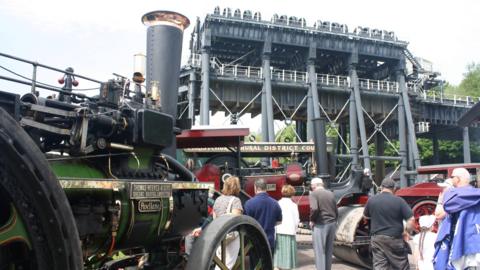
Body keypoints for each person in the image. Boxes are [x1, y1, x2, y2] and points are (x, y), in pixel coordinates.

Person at [433, 167, 480, 270]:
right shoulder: (477, 194)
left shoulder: (453, 195)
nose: (451, 179)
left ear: (458, 179)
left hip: (461, 244)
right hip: (475, 243)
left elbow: (446, 207)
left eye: (452, 177)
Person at [363, 178, 414, 270]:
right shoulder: (399, 201)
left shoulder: (372, 200)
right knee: (401, 266)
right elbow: (411, 219)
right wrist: (407, 232)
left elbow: (365, 217)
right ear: (394, 188)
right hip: (395, 238)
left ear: (381, 187)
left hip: (377, 238)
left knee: (380, 266)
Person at [212, 176, 243, 270]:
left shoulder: (218, 200)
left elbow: (214, 217)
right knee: (228, 264)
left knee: (220, 262)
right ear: (236, 187)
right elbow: (235, 220)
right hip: (230, 235)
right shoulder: (236, 201)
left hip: (218, 234)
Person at [244, 178, 282, 253]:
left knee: (255, 264)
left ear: (256, 188)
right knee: (268, 264)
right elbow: (279, 221)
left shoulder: (249, 203)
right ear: (266, 188)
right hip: (269, 241)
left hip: (254, 242)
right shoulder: (275, 203)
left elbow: (245, 224)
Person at [309, 177, 338, 270]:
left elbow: (314, 208)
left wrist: (312, 220)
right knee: (329, 250)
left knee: (319, 251)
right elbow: (335, 208)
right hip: (332, 223)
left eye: (311, 185)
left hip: (320, 224)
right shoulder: (331, 193)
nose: (311, 186)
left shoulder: (314, 194)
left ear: (315, 185)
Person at [274, 185, 300, 270]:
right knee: (289, 257)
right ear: (292, 193)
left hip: (279, 230)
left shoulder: (277, 203)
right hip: (290, 231)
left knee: (278, 256)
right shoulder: (293, 205)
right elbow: (296, 220)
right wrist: (295, 229)